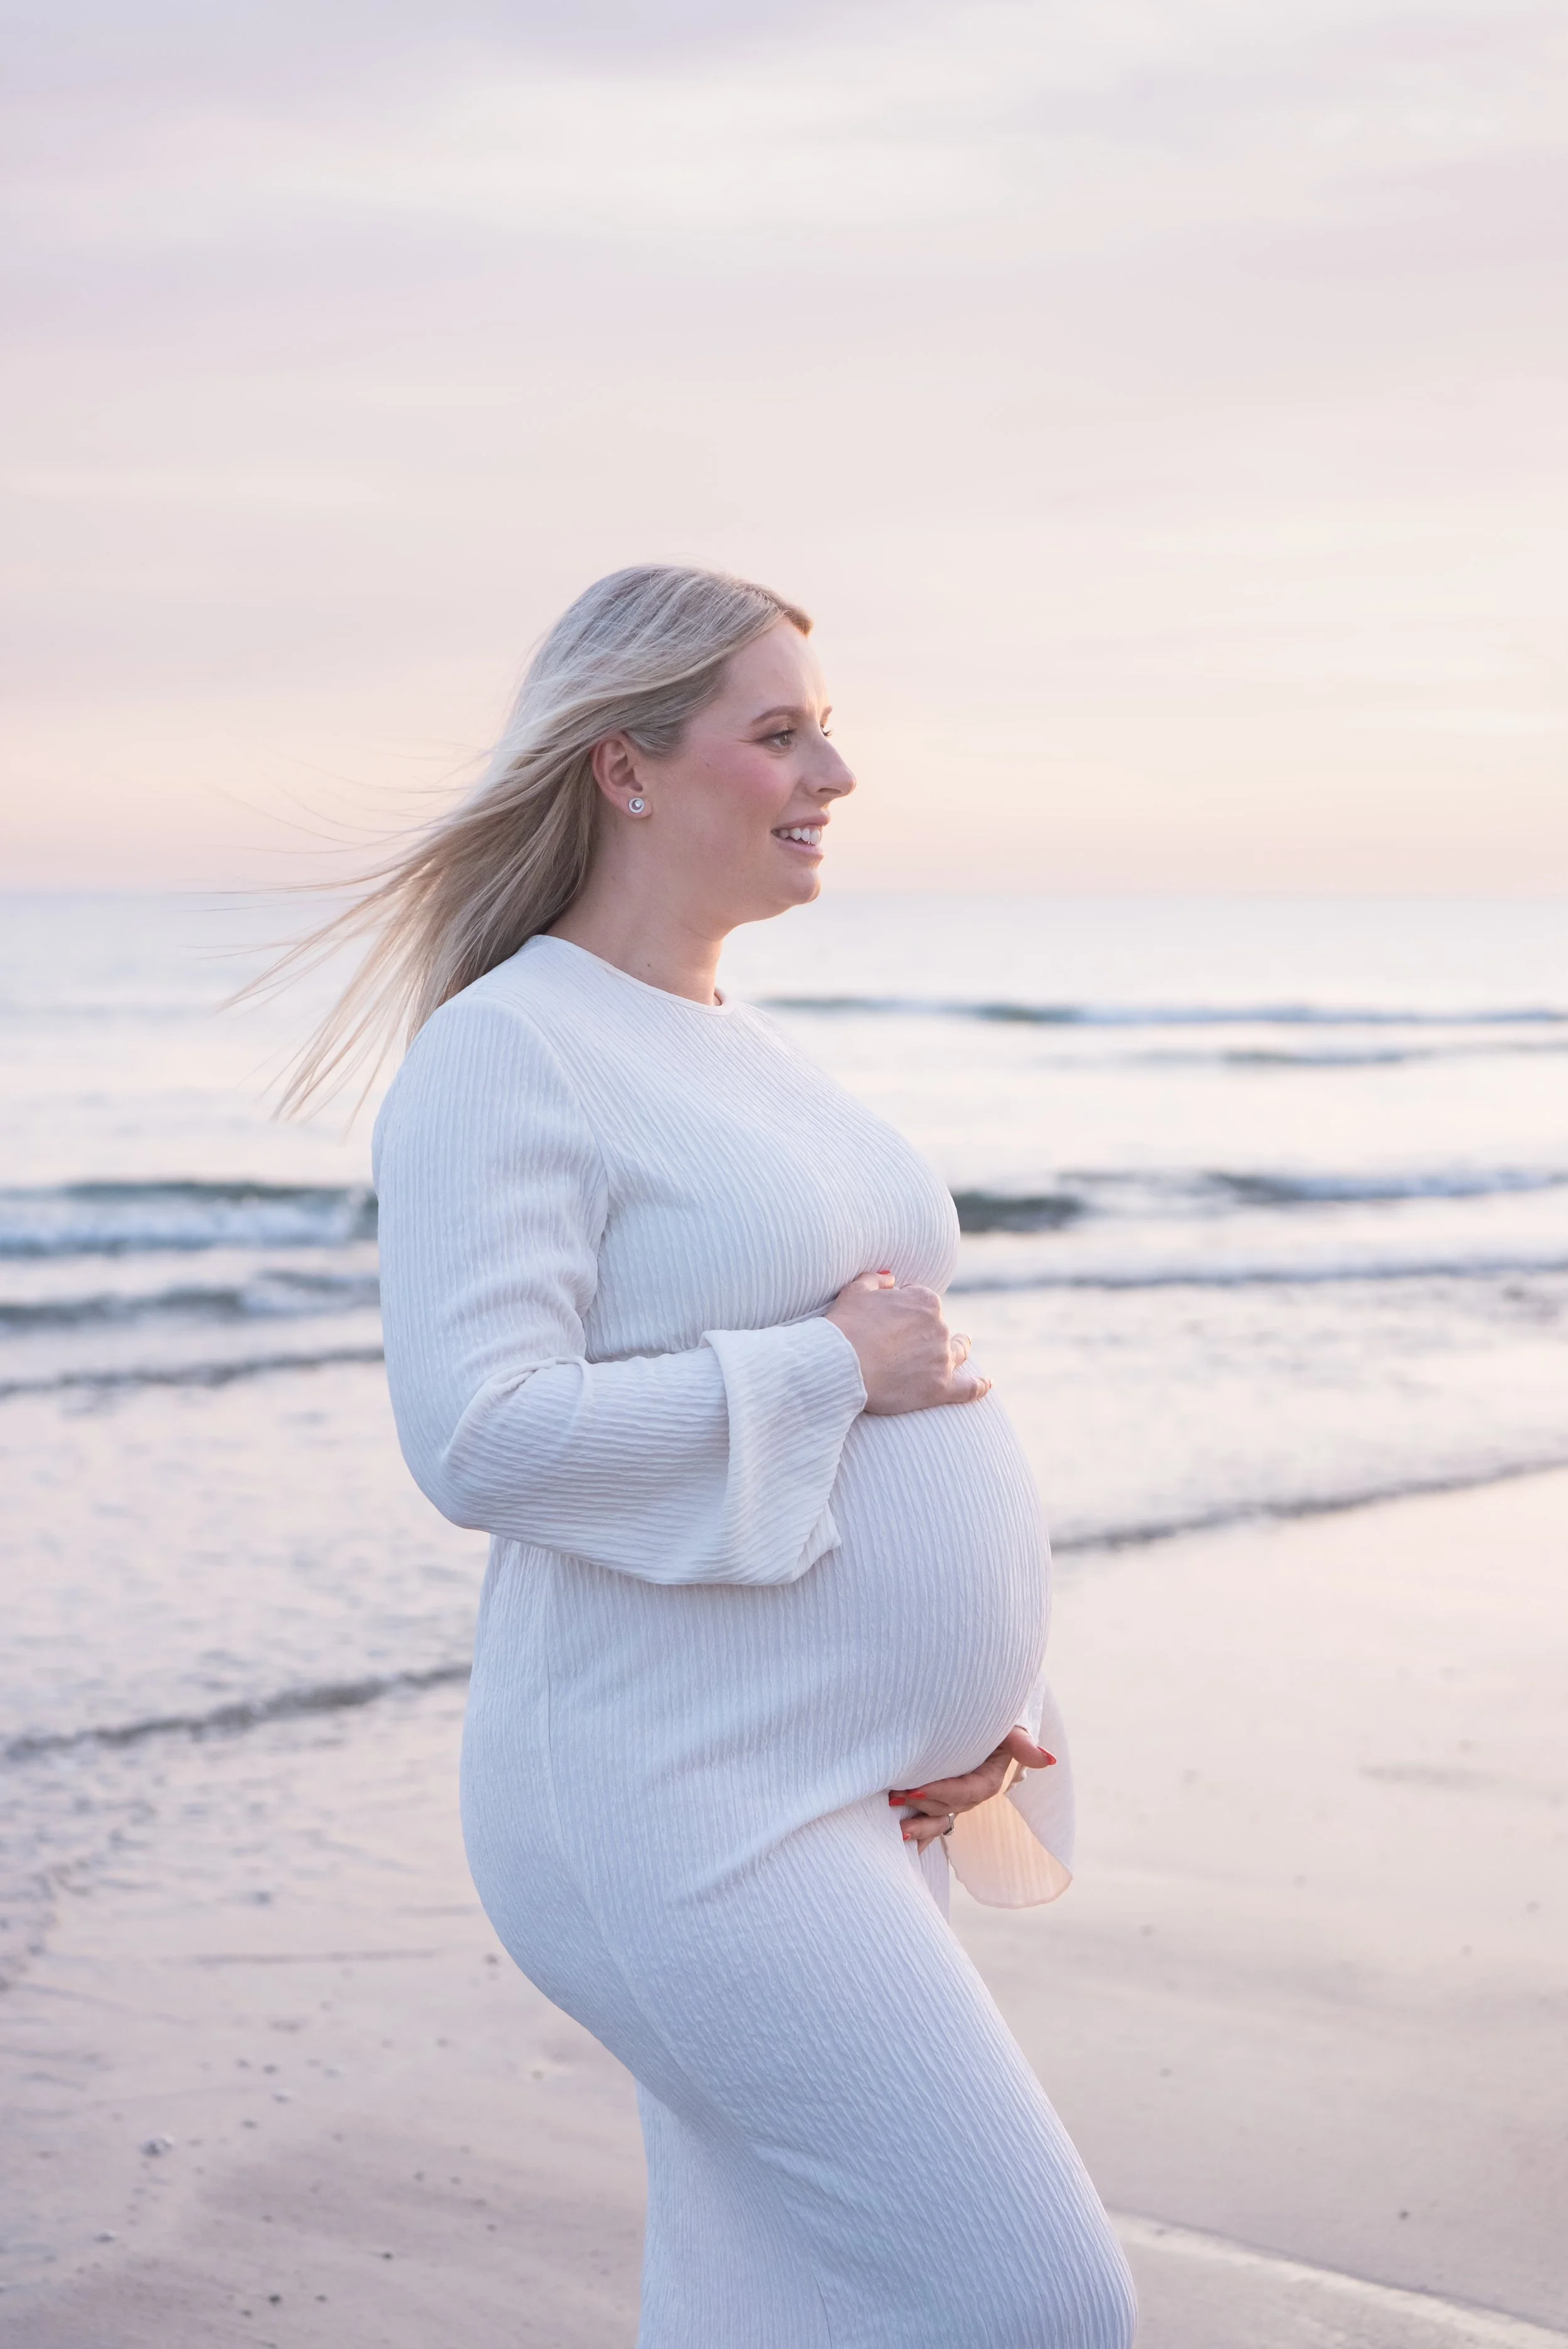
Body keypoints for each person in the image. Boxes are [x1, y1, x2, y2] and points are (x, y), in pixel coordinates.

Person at [290, 565, 1136, 2345]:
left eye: (826, 730)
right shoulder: (504, 1052)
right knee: (1036, 2308)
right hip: (675, 1810)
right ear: (626, 767)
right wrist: (822, 1362)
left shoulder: (727, 1045)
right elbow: (479, 1436)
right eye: (779, 733)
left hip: (840, 1794)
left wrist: (974, 1695)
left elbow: (903, 1405)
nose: (831, 774)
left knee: (778, 2313)